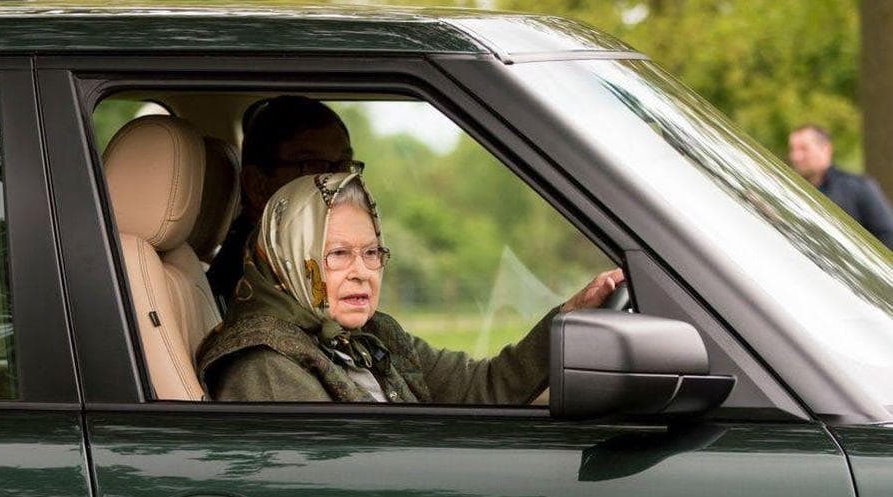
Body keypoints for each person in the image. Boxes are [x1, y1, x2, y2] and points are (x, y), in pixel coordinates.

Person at [196, 172, 624, 403]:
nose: (362, 271)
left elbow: (484, 387)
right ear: (292, 259)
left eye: (372, 253)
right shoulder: (262, 368)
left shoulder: (374, 336)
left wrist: (569, 316)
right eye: (338, 254)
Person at [207, 96, 362, 310]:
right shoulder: (247, 287)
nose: (338, 183)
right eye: (312, 166)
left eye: (343, 166)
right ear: (257, 186)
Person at [788, 124, 893, 248]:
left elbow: (888, 236)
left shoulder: (858, 188)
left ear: (825, 149)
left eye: (804, 149)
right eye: (793, 149)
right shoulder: (790, 192)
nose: (796, 157)